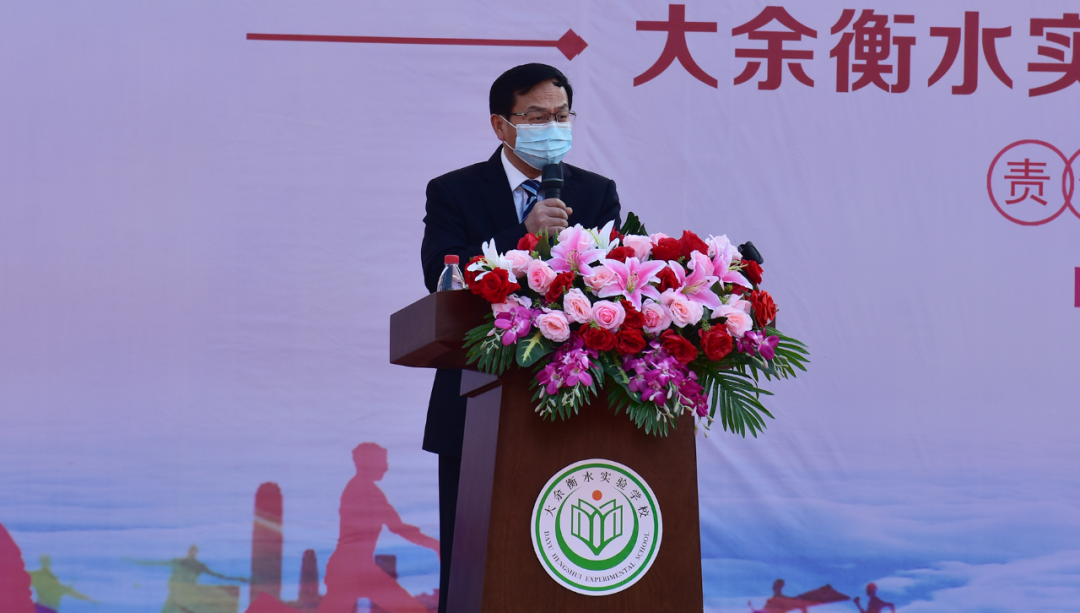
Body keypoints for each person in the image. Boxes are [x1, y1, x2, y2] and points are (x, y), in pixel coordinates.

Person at [419, 62, 622, 612]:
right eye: (536, 117)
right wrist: (522, 235)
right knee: (473, 567)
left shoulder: (596, 192)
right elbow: (441, 274)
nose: (552, 127)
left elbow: (610, 287)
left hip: (574, 402)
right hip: (475, 400)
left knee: (563, 570)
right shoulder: (454, 191)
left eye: (562, 115)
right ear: (501, 125)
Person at [317, 443, 439, 613]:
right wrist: (434, 544)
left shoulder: (367, 490)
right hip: (349, 571)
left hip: (357, 569)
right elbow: (399, 528)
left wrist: (434, 545)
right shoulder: (363, 491)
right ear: (368, 463)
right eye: (382, 461)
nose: (385, 467)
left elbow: (398, 527)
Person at [29, 555, 97, 612]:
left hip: (40, 608)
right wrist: (91, 600)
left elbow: (77, 594)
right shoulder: (58, 587)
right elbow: (77, 595)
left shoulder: (39, 577)